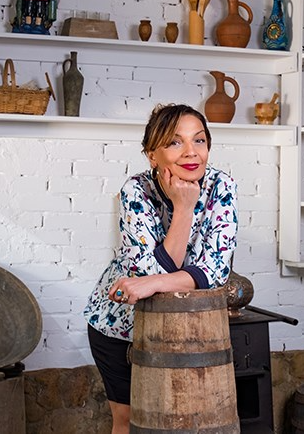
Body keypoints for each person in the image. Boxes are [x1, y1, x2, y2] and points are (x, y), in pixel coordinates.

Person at [83, 104, 238, 434]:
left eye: (199, 140)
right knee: (129, 422)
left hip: (192, 332)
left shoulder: (222, 187)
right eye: (175, 142)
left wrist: (153, 283)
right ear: (152, 155)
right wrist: (183, 209)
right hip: (119, 327)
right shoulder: (136, 190)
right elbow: (146, 272)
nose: (191, 152)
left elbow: (215, 272)